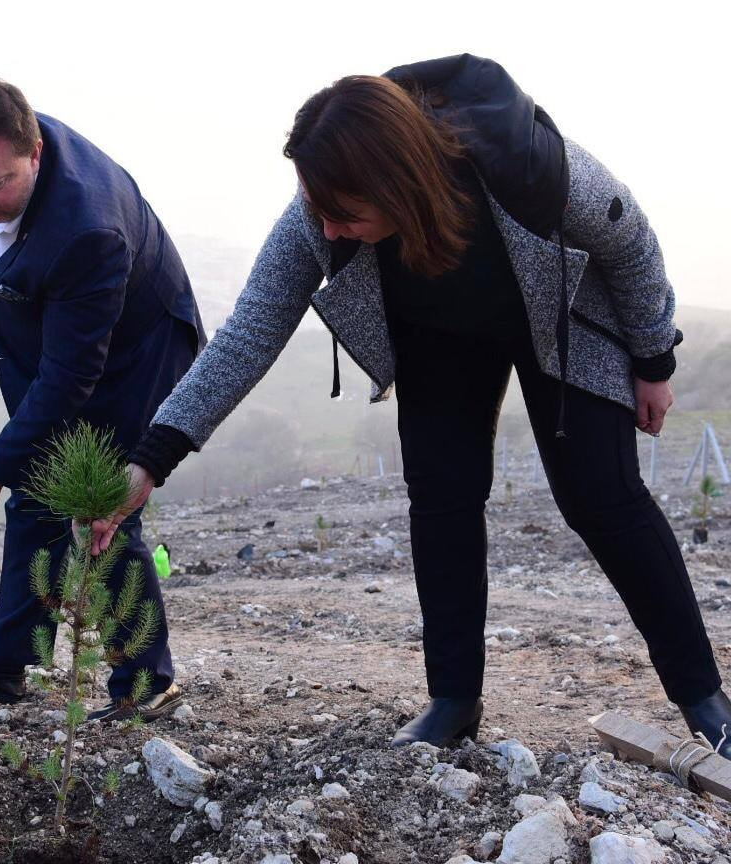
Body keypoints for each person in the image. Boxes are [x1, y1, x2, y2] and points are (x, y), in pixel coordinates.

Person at [92, 54, 731, 752]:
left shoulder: (529, 170)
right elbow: (247, 335)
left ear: (402, 185)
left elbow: (630, 239)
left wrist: (653, 359)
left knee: (602, 498)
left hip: (563, 322)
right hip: (440, 338)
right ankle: (453, 700)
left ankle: (704, 697)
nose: (329, 230)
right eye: (318, 209)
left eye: (346, 216)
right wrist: (152, 459)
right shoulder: (318, 213)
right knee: (442, 499)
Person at [0, 75, 206, 722]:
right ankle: (5, 665)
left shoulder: (86, 227)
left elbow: (70, 381)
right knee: (34, 495)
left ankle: (146, 686)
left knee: (99, 505)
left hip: (135, 349)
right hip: (47, 325)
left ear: (34, 152)